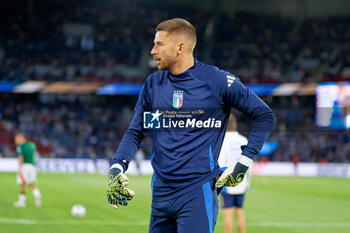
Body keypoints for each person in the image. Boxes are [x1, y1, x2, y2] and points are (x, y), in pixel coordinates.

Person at [107, 18, 276, 233]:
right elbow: (137, 131)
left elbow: (264, 115)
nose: (152, 51)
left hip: (197, 190)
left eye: (159, 44)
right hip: (160, 191)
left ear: (180, 48)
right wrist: (117, 166)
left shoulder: (217, 81)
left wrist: (244, 162)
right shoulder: (154, 84)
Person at [218, 114, 251, 233]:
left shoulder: (222, 139)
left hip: (227, 182)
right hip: (241, 180)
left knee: (227, 213)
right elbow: (249, 163)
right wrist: (248, 181)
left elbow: (220, 162)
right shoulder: (243, 140)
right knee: (240, 210)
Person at [13, 133, 42, 207]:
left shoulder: (21, 147)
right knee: (31, 183)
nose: (16, 141)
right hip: (32, 166)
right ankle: (38, 195)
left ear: (21, 138)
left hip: (24, 166)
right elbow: (35, 155)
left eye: (17, 140)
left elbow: (21, 157)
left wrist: (19, 168)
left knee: (22, 184)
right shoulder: (32, 145)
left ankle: (21, 202)